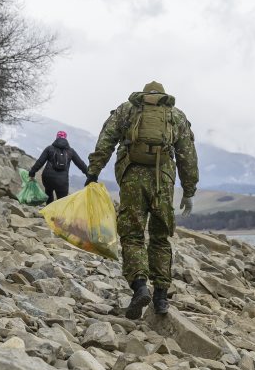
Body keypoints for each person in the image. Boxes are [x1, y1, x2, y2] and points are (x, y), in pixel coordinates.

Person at [85, 81, 198, 320]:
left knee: (132, 234)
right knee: (160, 237)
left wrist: (93, 172)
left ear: (144, 95)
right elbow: (187, 154)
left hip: (132, 177)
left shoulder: (126, 109)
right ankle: (160, 298)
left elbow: (106, 140)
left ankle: (139, 287)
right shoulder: (175, 115)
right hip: (163, 180)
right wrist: (189, 190)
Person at [28, 131, 89, 203]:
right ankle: (58, 213)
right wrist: (89, 175)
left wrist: (32, 173)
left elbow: (40, 162)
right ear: (66, 138)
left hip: (48, 178)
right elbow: (80, 164)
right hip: (62, 180)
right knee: (62, 201)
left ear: (56, 137)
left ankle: (48, 212)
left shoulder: (49, 148)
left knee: (49, 193)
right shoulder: (71, 151)